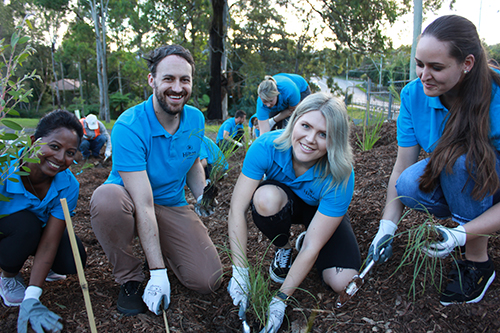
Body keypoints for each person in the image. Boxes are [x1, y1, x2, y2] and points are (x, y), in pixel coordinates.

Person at [368, 15, 500, 306]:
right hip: (464, 176)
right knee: (409, 184)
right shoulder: (414, 95)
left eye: (436, 67)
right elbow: (402, 166)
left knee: (462, 162)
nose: (423, 75)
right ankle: (465, 227)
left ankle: (478, 262)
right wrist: (386, 227)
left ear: (467, 64)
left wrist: (462, 233)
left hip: (492, 182)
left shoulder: (497, 100)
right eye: (419, 63)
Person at [90, 44, 223, 317]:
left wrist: (201, 195)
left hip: (171, 204)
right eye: (168, 79)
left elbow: (192, 163)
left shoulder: (195, 118)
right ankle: (130, 277)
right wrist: (157, 272)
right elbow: (144, 202)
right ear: (152, 80)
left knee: (207, 280)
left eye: (184, 80)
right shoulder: (130, 126)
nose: (177, 88)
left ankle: (167, 245)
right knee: (106, 201)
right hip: (131, 200)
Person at [227, 92, 360, 332]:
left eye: (323, 134)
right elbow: (237, 208)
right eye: (306, 126)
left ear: (335, 140)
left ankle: (307, 238)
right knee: (264, 198)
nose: (310, 139)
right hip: (283, 203)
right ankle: (284, 248)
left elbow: (312, 247)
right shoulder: (267, 147)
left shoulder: (341, 172)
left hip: (320, 211)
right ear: (295, 119)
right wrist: (239, 270)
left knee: (342, 281)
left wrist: (281, 299)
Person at [0, 109, 86, 332]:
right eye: (54, 147)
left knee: (73, 258)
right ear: (33, 141)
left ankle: (41, 271)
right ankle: (8, 276)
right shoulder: (4, 168)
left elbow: (50, 240)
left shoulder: (68, 185)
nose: (60, 158)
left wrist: (33, 295)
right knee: (25, 226)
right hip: (10, 233)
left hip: (37, 232)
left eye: (70, 152)